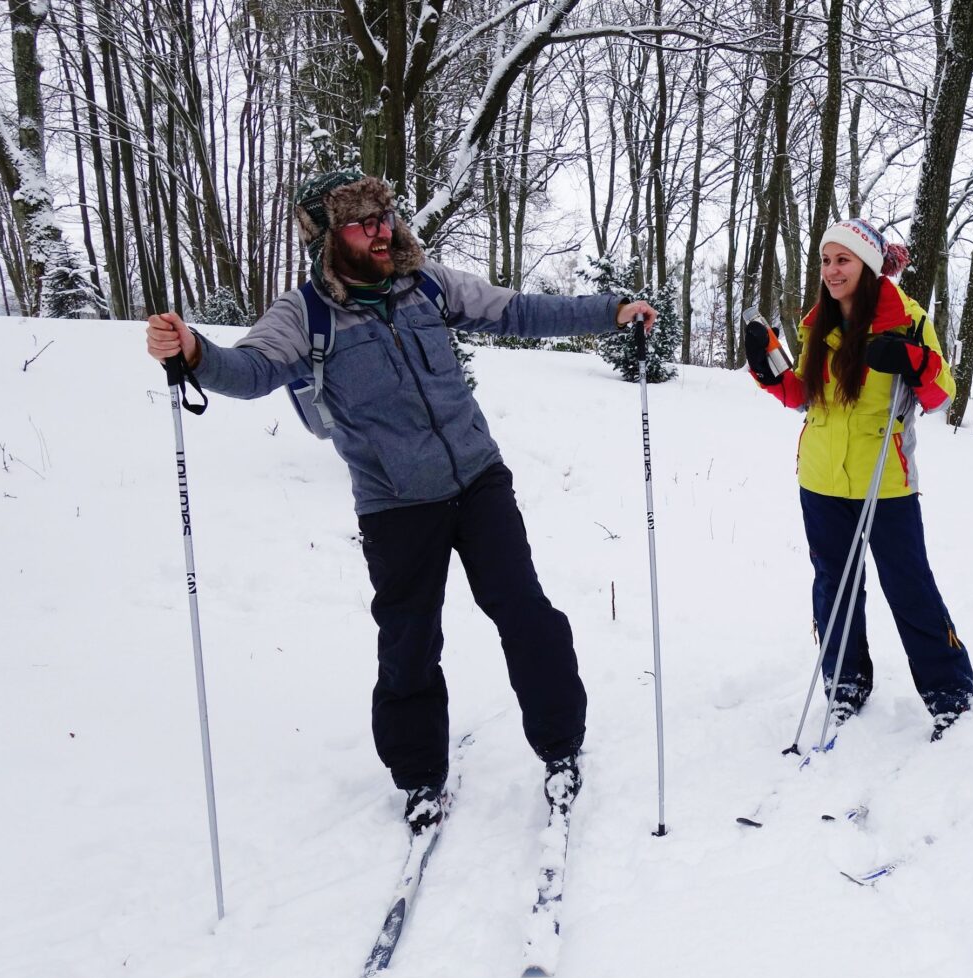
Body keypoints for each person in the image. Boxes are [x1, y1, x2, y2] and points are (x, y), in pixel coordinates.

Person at [144, 169, 656, 832]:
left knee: (527, 614)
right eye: (362, 223)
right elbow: (252, 370)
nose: (381, 231)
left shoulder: (428, 284)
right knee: (409, 644)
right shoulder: (306, 314)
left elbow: (518, 310)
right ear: (330, 238)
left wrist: (609, 311)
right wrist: (193, 352)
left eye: (384, 216)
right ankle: (419, 778)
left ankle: (560, 747)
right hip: (395, 505)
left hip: (478, 480)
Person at [743, 218, 973, 740]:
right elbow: (802, 396)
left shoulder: (907, 319)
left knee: (908, 585)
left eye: (843, 260)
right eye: (826, 261)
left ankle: (948, 690)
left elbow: (942, 396)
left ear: (867, 266)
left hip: (885, 480)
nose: (831, 271)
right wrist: (765, 367)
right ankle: (845, 682)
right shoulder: (817, 323)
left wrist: (912, 359)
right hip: (821, 478)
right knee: (835, 585)